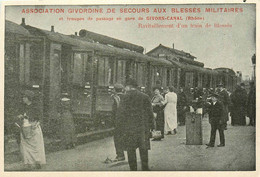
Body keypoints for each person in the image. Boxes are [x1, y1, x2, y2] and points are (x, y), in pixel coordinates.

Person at [117, 78, 154, 171]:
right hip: (142, 128)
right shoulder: (145, 97)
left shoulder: (124, 98)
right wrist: (152, 126)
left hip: (129, 129)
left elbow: (120, 114)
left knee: (131, 150)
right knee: (143, 149)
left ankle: (133, 170)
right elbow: (150, 113)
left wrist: (119, 128)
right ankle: (145, 168)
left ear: (128, 87)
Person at [18, 90, 46, 170]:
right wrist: (21, 117)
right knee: (25, 145)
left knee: (35, 145)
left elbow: (38, 118)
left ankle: (37, 162)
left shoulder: (35, 107)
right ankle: (29, 162)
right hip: (25, 128)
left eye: (24, 97)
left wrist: (35, 123)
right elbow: (24, 116)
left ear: (28, 98)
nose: (23, 99)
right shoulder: (23, 107)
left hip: (33, 128)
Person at [111, 83, 125, 161]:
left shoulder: (115, 98)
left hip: (118, 121)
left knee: (118, 138)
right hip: (126, 121)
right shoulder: (127, 97)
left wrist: (112, 122)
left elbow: (113, 111)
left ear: (115, 90)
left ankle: (120, 155)